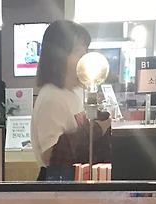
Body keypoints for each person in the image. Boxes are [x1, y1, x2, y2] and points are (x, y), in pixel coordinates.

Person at [30, 20, 109, 174]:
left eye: (85, 49)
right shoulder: (52, 98)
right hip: (60, 185)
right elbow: (51, 157)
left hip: (77, 180)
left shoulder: (72, 94)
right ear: (58, 56)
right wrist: (96, 129)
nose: (84, 57)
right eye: (78, 51)